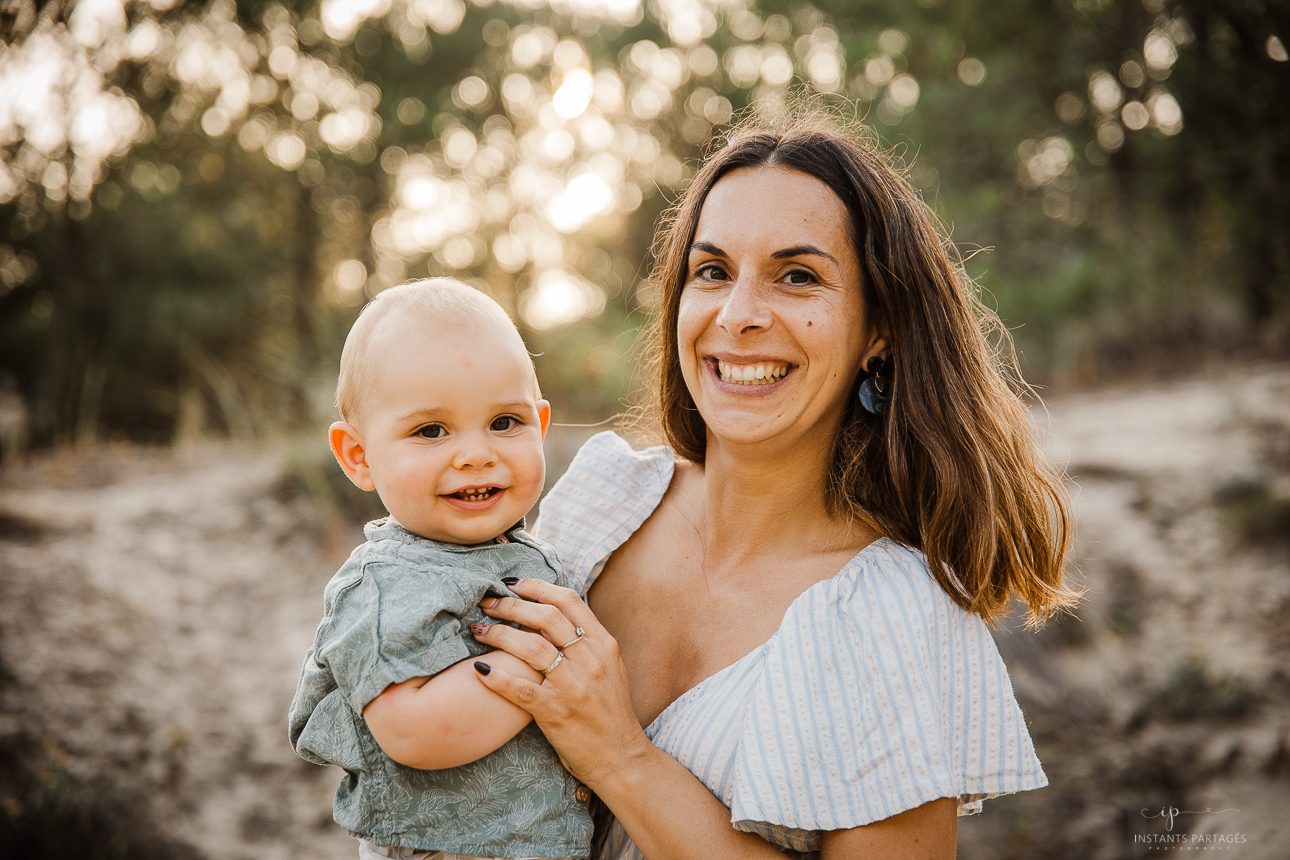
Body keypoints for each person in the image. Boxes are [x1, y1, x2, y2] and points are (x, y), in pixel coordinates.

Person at [447, 109, 1080, 858]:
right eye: (712, 271)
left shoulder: (890, 616)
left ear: (878, 330)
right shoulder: (601, 503)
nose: (739, 314)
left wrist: (619, 754)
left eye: (798, 276)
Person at [288, 279, 593, 860]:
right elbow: (413, 731)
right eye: (431, 430)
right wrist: (545, 660)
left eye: (506, 422)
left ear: (543, 426)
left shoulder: (527, 554)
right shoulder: (383, 586)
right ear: (359, 456)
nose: (477, 453)